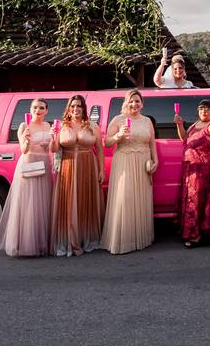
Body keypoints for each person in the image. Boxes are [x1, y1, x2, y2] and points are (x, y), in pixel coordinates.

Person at [0, 99, 53, 257]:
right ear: (30, 109)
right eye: (35, 107)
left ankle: (40, 243)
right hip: (29, 163)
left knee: (42, 202)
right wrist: (26, 139)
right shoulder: (24, 126)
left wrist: (49, 143)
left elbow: (49, 148)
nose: (38, 110)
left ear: (46, 111)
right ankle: (24, 243)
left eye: (41, 108)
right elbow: (24, 150)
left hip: (44, 163)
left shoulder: (48, 126)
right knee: (28, 202)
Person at [101, 89, 158, 254]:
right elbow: (106, 143)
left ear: (142, 104)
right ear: (126, 103)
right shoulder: (118, 119)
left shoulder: (147, 121)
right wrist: (118, 136)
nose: (134, 104)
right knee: (125, 198)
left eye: (137, 101)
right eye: (131, 101)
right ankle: (123, 241)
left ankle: (141, 239)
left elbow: (152, 143)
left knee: (141, 197)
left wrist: (156, 160)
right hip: (124, 161)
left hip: (143, 162)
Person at [49, 95, 105, 257]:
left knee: (85, 201)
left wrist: (101, 170)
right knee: (69, 203)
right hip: (67, 168)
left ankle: (84, 238)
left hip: (88, 166)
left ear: (83, 108)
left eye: (79, 106)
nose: (76, 109)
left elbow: (99, 150)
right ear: (68, 108)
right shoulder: (61, 126)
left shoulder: (92, 126)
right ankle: (70, 240)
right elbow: (53, 149)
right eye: (73, 106)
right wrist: (53, 136)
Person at [174, 99, 210, 248]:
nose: (204, 111)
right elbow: (184, 139)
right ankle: (191, 232)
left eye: (207, 108)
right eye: (201, 108)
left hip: (203, 170)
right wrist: (179, 124)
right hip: (190, 170)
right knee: (190, 199)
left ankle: (198, 234)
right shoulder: (195, 124)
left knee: (198, 201)